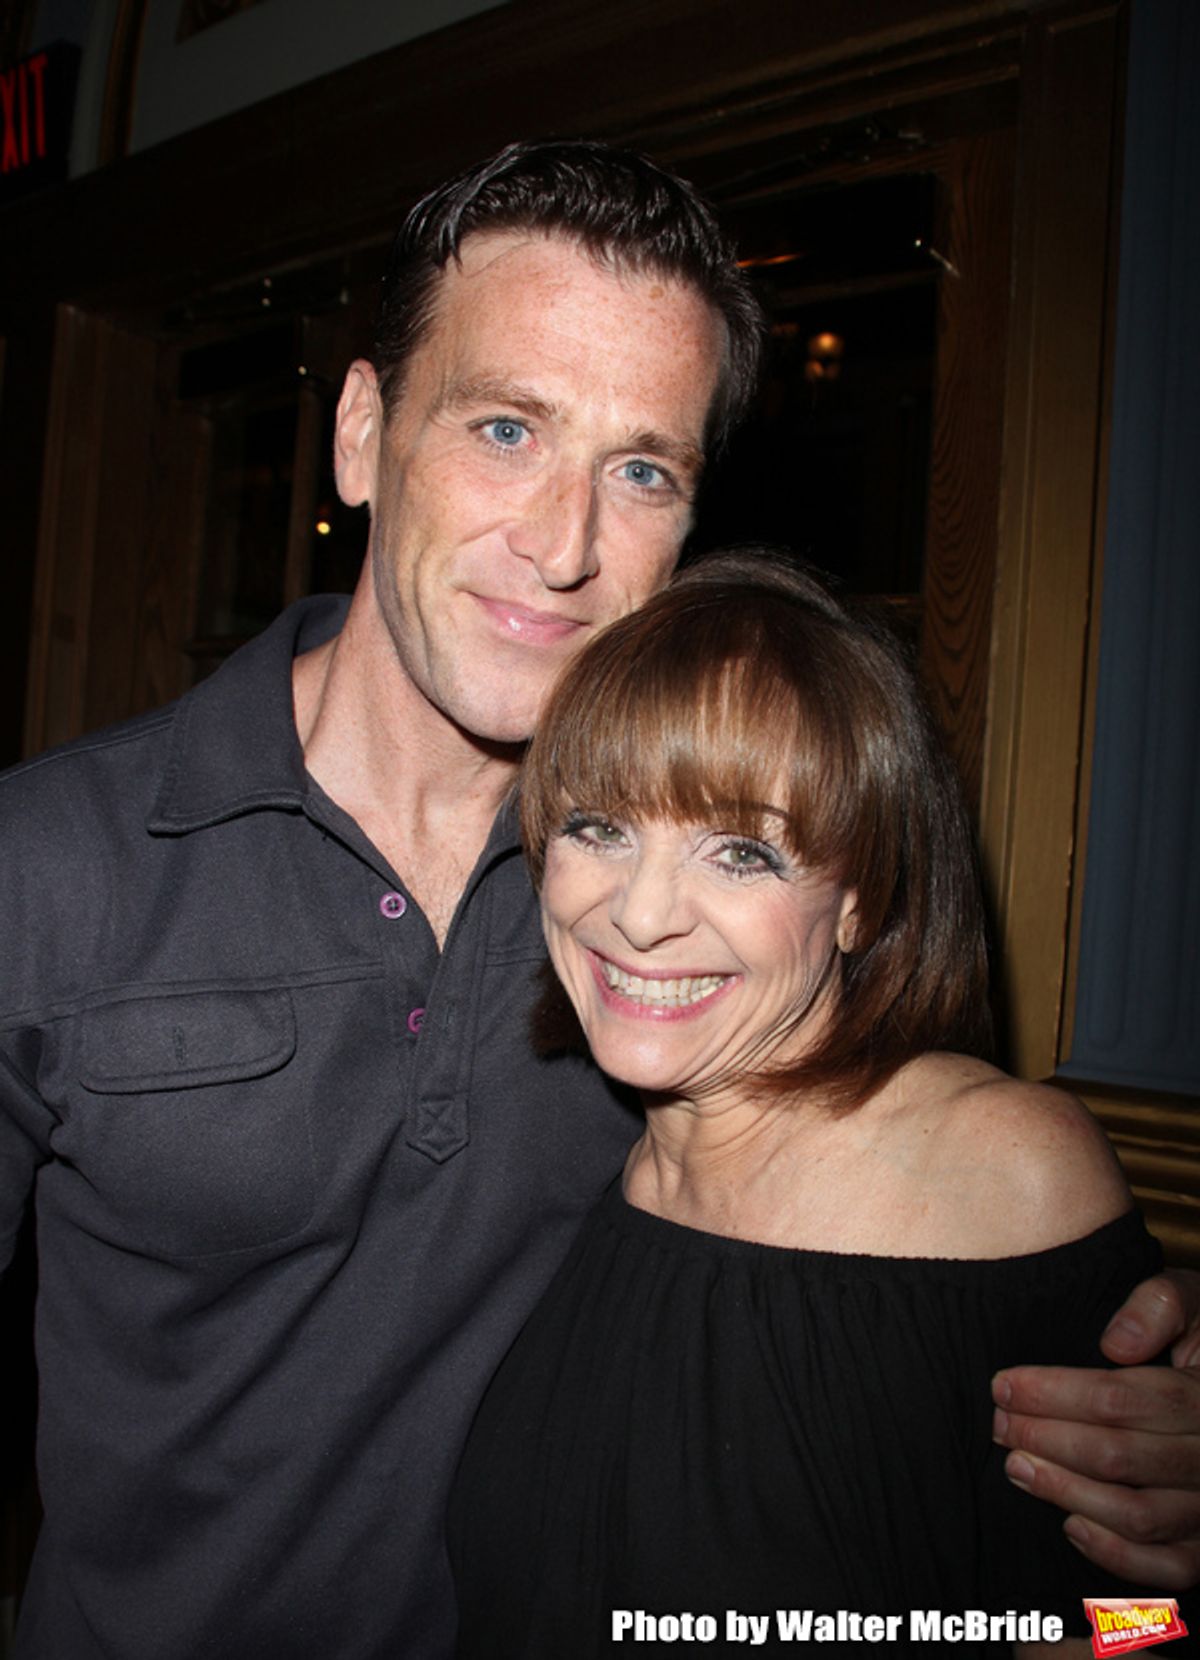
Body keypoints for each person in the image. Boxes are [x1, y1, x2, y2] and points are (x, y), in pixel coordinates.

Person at [0, 140, 1195, 1660]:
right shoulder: (44, 863)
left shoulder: (665, 923)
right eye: (506, 427)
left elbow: (1067, 1550)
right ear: (362, 434)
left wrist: (1139, 1407)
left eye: (641, 470)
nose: (564, 546)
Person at [449, 551, 1184, 1655]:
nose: (640, 914)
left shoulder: (996, 1165)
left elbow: (1149, 1620)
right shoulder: (578, 1136)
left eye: (742, 851)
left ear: (859, 899)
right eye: (598, 827)